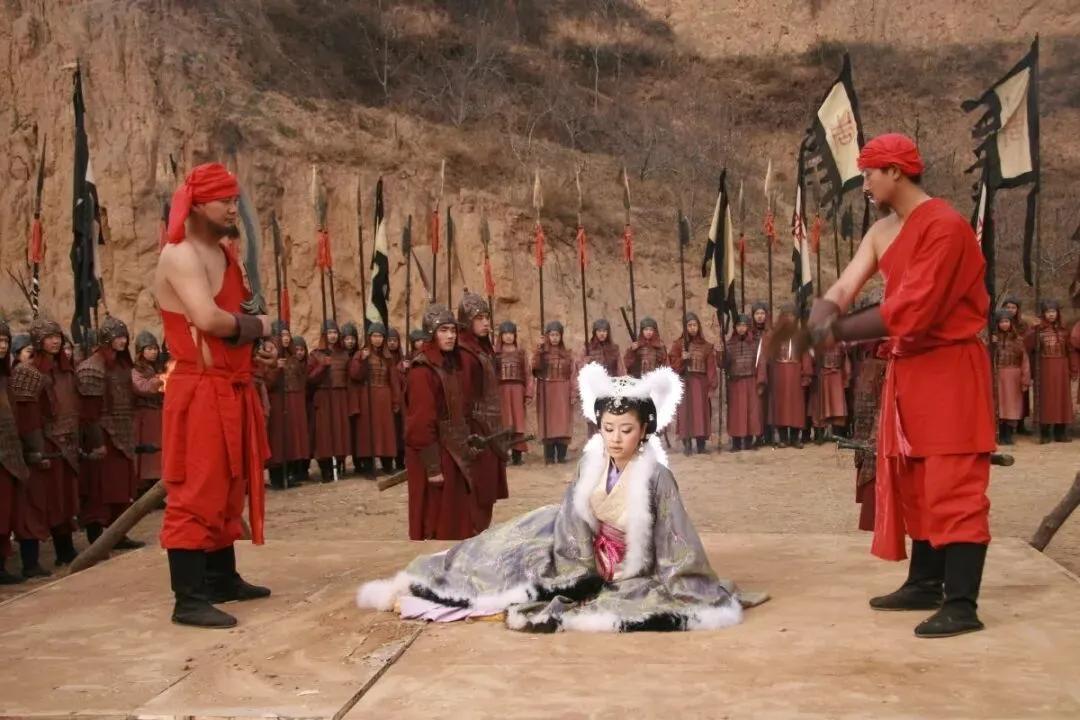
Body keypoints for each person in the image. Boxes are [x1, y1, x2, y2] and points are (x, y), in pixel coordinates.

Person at [357, 361, 768, 632]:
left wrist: (630, 571)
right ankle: (424, 578)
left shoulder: (657, 478)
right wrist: (579, 568)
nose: (616, 438)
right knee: (498, 552)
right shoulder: (590, 465)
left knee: (524, 575)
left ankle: (435, 593)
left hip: (622, 559)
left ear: (644, 430)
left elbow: (677, 541)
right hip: (569, 542)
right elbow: (573, 518)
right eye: (608, 428)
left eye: (626, 429)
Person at [803, 133, 994, 639]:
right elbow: (847, 284)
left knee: (952, 478)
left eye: (869, 174)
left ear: (895, 172)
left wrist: (838, 332)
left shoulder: (945, 227)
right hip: (908, 369)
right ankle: (926, 583)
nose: (864, 184)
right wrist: (819, 316)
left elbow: (914, 310)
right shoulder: (883, 230)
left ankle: (962, 604)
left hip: (949, 368)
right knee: (915, 477)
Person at [153, 161, 272, 629]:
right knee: (196, 489)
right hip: (199, 388)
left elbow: (233, 316)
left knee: (228, 486)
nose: (232, 208)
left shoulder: (225, 253)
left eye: (234, 199)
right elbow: (207, 320)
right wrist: (259, 327)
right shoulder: (180, 255)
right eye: (224, 200)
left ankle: (221, 578)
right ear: (198, 204)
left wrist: (254, 343)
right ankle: (188, 599)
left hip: (231, 386)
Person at [403, 304, 481, 541]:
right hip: (435, 457)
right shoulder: (422, 371)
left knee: (456, 522)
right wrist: (433, 467)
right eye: (443, 330)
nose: (450, 336)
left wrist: (466, 441)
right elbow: (420, 424)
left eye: (453, 330)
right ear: (431, 333)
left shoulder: (449, 365)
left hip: (453, 454)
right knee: (436, 521)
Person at [11, 317, 81, 573]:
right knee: (36, 504)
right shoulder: (27, 372)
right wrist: (35, 450)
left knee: (62, 501)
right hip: (43, 446)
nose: (55, 341)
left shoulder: (66, 370)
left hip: (65, 446)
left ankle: (65, 551)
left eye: (58, 337)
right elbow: (27, 418)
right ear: (38, 341)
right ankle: (30, 562)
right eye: (49, 337)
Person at [76, 315, 144, 549]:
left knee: (121, 490)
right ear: (106, 339)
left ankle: (118, 535)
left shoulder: (123, 366)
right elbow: (89, 414)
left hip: (122, 435)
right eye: (117, 337)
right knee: (100, 490)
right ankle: (96, 539)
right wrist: (97, 443)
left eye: (124, 336)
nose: (123, 341)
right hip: (103, 435)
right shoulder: (92, 368)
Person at [456, 292, 509, 530]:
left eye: (486, 317)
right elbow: (462, 400)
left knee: (486, 493)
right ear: (467, 321)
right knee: (477, 492)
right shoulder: (464, 353)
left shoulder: (481, 349)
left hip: (490, 430)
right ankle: (473, 538)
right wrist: (466, 437)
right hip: (476, 431)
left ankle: (479, 533)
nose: (486, 322)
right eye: (479, 318)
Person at [0, 320, 29, 584]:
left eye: (5, 341)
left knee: (5, 512)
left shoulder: (7, 378)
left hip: (8, 452)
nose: (2, 346)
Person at [1024, 300, 1073, 443]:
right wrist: (1033, 330)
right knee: (1046, 399)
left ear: (1057, 313)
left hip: (1062, 367)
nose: (1051, 315)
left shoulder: (1064, 330)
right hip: (1045, 367)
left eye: (1053, 312)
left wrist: (1073, 369)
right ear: (1043, 314)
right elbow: (1028, 346)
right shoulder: (1038, 330)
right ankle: (1045, 432)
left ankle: (1060, 432)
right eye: (1048, 312)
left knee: (1062, 398)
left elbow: (1070, 350)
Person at [668, 312, 717, 455]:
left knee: (701, 414)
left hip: (700, 384)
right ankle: (687, 444)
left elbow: (711, 367)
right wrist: (682, 359)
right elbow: (672, 366)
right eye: (689, 325)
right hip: (684, 382)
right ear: (685, 327)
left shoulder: (706, 346)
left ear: (698, 326)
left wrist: (711, 385)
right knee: (685, 413)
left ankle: (701, 445)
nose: (692, 328)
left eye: (694, 325)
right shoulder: (678, 345)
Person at [532, 321, 577, 465]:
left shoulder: (568, 354)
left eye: (557, 335)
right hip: (546, 390)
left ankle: (562, 455)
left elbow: (573, 373)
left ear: (561, 336)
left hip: (563, 390)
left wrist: (573, 392)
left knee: (563, 422)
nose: (554, 338)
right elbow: (535, 369)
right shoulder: (542, 353)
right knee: (548, 422)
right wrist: (539, 350)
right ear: (547, 336)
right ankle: (549, 456)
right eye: (551, 335)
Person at [132, 331, 165, 497]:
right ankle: (141, 489)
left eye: (155, 348)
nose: (153, 352)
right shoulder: (136, 370)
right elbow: (141, 387)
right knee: (145, 456)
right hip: (143, 417)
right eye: (149, 349)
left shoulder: (158, 368)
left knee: (158, 455)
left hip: (158, 415)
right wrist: (161, 380)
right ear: (141, 351)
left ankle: (155, 491)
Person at [495, 321, 532, 466]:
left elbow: (528, 373)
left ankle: (517, 455)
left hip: (517, 390)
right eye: (505, 333)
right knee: (504, 423)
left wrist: (528, 393)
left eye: (511, 333)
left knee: (518, 423)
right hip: (501, 390)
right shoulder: (496, 353)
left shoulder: (521, 353)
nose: (508, 336)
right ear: (501, 335)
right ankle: (503, 455)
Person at [724, 314, 762, 452]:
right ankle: (736, 443)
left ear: (748, 327)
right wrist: (720, 352)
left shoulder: (755, 343)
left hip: (751, 380)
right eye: (738, 326)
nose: (741, 328)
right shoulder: (729, 344)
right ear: (735, 327)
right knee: (736, 413)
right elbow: (723, 364)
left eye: (743, 325)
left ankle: (748, 441)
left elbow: (760, 363)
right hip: (735, 382)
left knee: (750, 412)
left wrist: (760, 381)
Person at [991, 311, 1030, 445]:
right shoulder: (993, 340)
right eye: (1001, 322)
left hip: (1014, 375)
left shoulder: (1018, 340)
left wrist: (1025, 379)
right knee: (999, 404)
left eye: (1006, 321)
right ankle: (1000, 433)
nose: (1004, 324)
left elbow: (1024, 360)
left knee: (1012, 404)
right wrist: (991, 344)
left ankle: (1008, 434)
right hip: (998, 375)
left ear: (1011, 323)